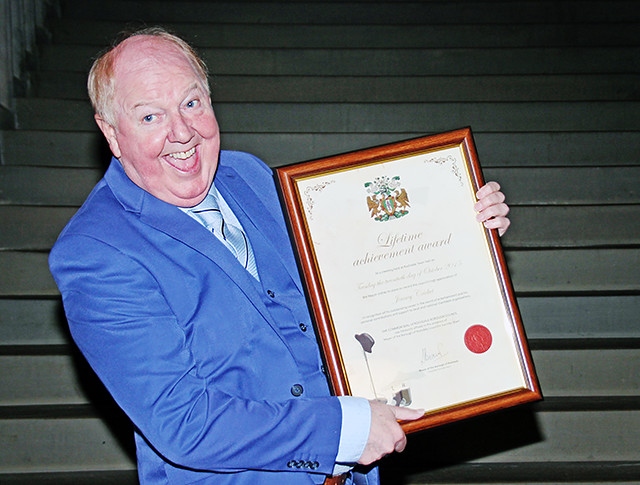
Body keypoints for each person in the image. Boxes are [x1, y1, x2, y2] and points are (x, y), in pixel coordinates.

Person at [48, 27, 511, 485]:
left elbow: (352, 274)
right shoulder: (96, 252)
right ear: (111, 132)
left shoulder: (247, 175)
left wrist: (456, 227)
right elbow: (184, 422)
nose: (182, 133)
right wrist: (344, 431)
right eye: (151, 117)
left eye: (191, 103)